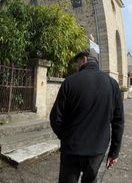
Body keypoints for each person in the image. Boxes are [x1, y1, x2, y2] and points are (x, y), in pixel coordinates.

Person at [50, 48, 124, 183]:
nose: (76, 66)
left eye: (77, 62)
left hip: (71, 148)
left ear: (84, 59)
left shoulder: (69, 82)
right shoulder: (113, 85)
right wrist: (114, 152)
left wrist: (65, 137)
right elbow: (118, 121)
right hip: (97, 150)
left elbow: (56, 117)